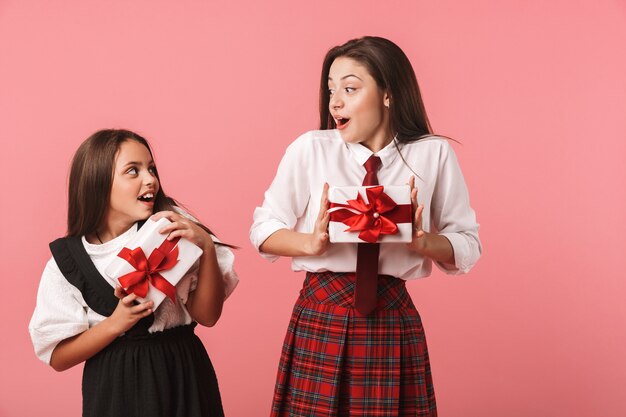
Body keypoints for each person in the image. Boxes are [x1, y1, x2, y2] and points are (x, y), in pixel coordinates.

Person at [250, 36, 482, 416]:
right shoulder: (310, 148)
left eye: (350, 88)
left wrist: (423, 243)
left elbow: (468, 244)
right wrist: (311, 242)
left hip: (392, 314)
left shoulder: (433, 153)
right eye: (331, 90)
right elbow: (263, 230)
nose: (335, 101)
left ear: (388, 94)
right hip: (321, 312)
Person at [29, 129, 238, 417]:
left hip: (184, 373)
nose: (150, 179)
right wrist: (116, 323)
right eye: (133, 171)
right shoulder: (69, 263)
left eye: (151, 168)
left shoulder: (171, 228)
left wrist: (205, 245)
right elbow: (58, 357)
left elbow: (208, 316)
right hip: (116, 388)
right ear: (98, 182)